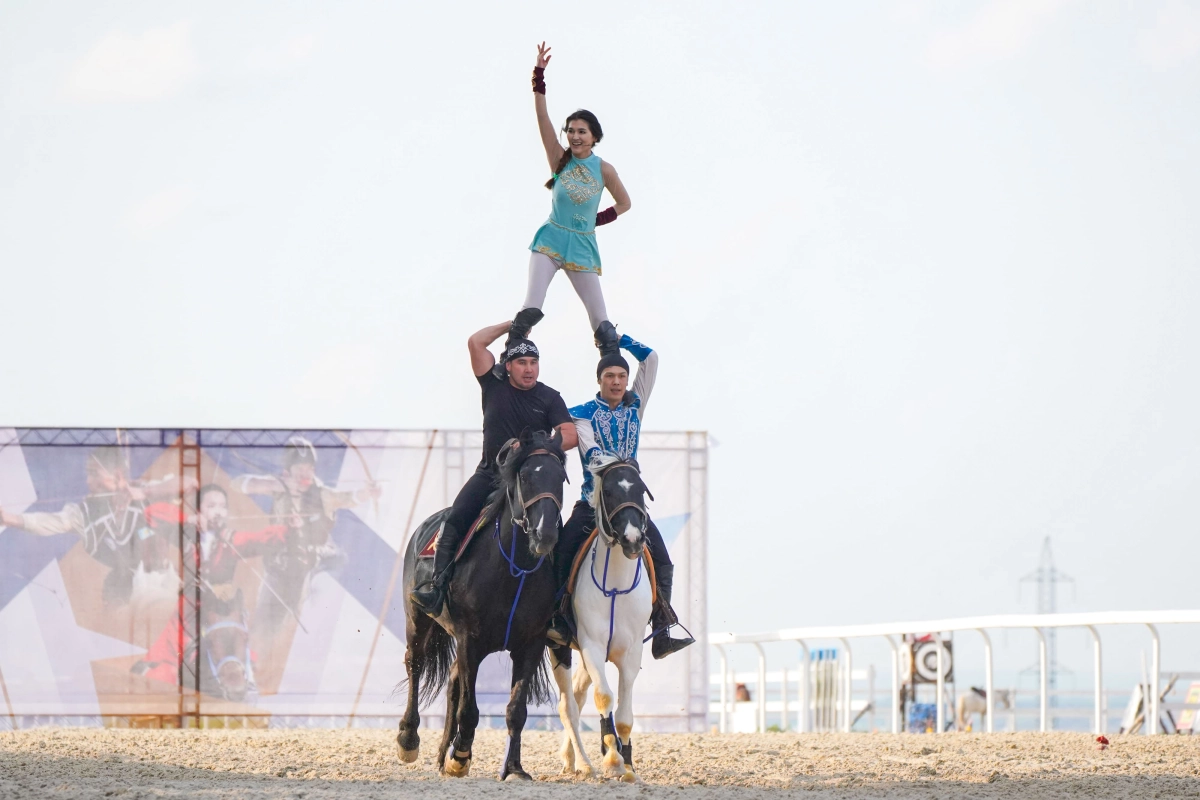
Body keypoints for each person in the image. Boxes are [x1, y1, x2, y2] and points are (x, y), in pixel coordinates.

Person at [410, 322, 578, 615]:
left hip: (529, 483)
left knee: (556, 533)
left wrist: (534, 448)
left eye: (534, 363)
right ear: (508, 366)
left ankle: (560, 610)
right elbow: (476, 342)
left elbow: (570, 433)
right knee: (455, 519)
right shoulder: (493, 385)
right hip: (489, 475)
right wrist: (513, 326)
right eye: (522, 363)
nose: (529, 369)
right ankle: (437, 590)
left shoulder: (550, 397)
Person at [550, 333, 694, 659]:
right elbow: (590, 453)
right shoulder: (583, 412)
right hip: (593, 503)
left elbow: (652, 359)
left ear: (628, 380)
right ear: (598, 380)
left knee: (664, 561)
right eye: (609, 376)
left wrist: (620, 339)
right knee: (561, 550)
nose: (616, 382)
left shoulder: (635, 406)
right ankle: (557, 618)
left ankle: (662, 628)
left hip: (630, 504)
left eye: (621, 377)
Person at [499, 42, 633, 370]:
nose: (575, 136)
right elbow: (542, 116)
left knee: (602, 324)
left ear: (594, 137)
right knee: (531, 307)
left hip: (583, 246)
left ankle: (612, 375)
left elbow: (625, 204)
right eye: (571, 130)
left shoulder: (604, 170)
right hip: (551, 239)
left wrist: (594, 220)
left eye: (581, 132)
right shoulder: (560, 159)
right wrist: (539, 76)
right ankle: (510, 360)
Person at [132, 484, 287, 686]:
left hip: (221, 612)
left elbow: (260, 539)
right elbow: (151, 514)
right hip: (189, 613)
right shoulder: (186, 534)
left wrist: (290, 529)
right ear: (199, 511)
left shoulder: (231, 539)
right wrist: (188, 520)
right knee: (165, 669)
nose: (218, 511)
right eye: (211, 506)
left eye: (222, 507)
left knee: (238, 662)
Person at [0, 446, 194, 605]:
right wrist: (9, 519)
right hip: (131, 594)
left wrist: (146, 492)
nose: (88, 481)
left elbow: (190, 483)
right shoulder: (84, 513)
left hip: (167, 583)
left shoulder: (142, 491)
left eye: (94, 474)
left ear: (117, 475)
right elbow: (50, 522)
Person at [233, 437, 380, 632]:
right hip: (277, 567)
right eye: (299, 470)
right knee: (262, 624)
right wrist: (272, 485)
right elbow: (238, 483)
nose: (305, 474)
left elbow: (347, 498)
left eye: (308, 469)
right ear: (287, 473)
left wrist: (367, 493)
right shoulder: (278, 487)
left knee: (295, 625)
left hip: (308, 568)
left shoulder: (321, 494)